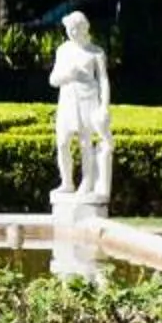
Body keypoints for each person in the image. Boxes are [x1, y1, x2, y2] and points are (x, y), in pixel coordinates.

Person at [48, 11, 112, 200]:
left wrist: (104, 106)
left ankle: (87, 180)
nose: (72, 32)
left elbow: (103, 80)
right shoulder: (62, 50)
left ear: (85, 28)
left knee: (85, 142)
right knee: (62, 142)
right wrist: (68, 75)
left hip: (88, 100)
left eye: (76, 29)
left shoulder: (96, 52)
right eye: (69, 29)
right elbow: (53, 79)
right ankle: (67, 181)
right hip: (67, 100)